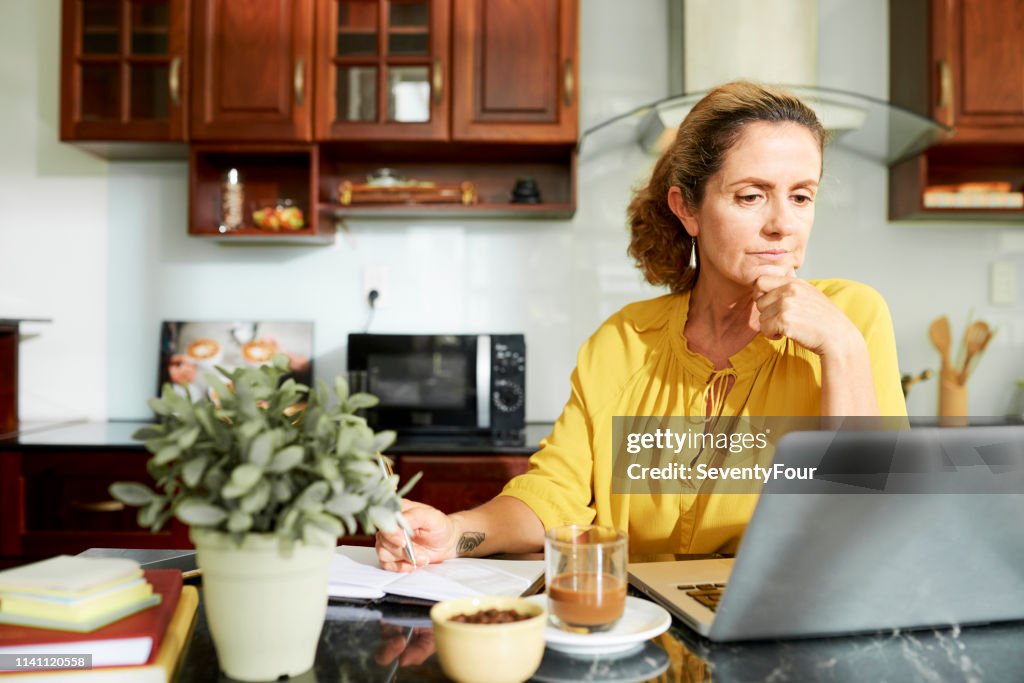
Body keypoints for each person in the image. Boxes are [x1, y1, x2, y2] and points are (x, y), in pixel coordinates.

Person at [376, 81, 907, 570]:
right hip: (638, 625)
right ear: (688, 209)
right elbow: (554, 495)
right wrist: (455, 531)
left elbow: (871, 523)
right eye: (751, 195)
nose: (783, 224)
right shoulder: (624, 341)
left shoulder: (850, 317)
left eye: (801, 196)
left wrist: (840, 348)